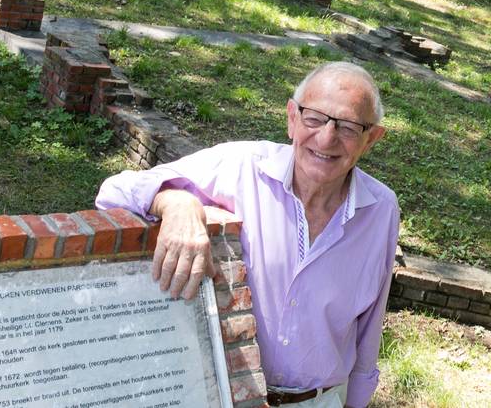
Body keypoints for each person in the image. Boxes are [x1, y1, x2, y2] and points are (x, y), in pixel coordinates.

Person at [95, 61, 400, 408]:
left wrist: (356, 402)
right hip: (226, 397)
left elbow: (369, 326)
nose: (326, 138)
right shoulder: (242, 167)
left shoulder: (381, 209)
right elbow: (114, 192)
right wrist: (176, 203)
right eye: (314, 118)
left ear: (371, 138)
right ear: (292, 118)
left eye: (347, 127)